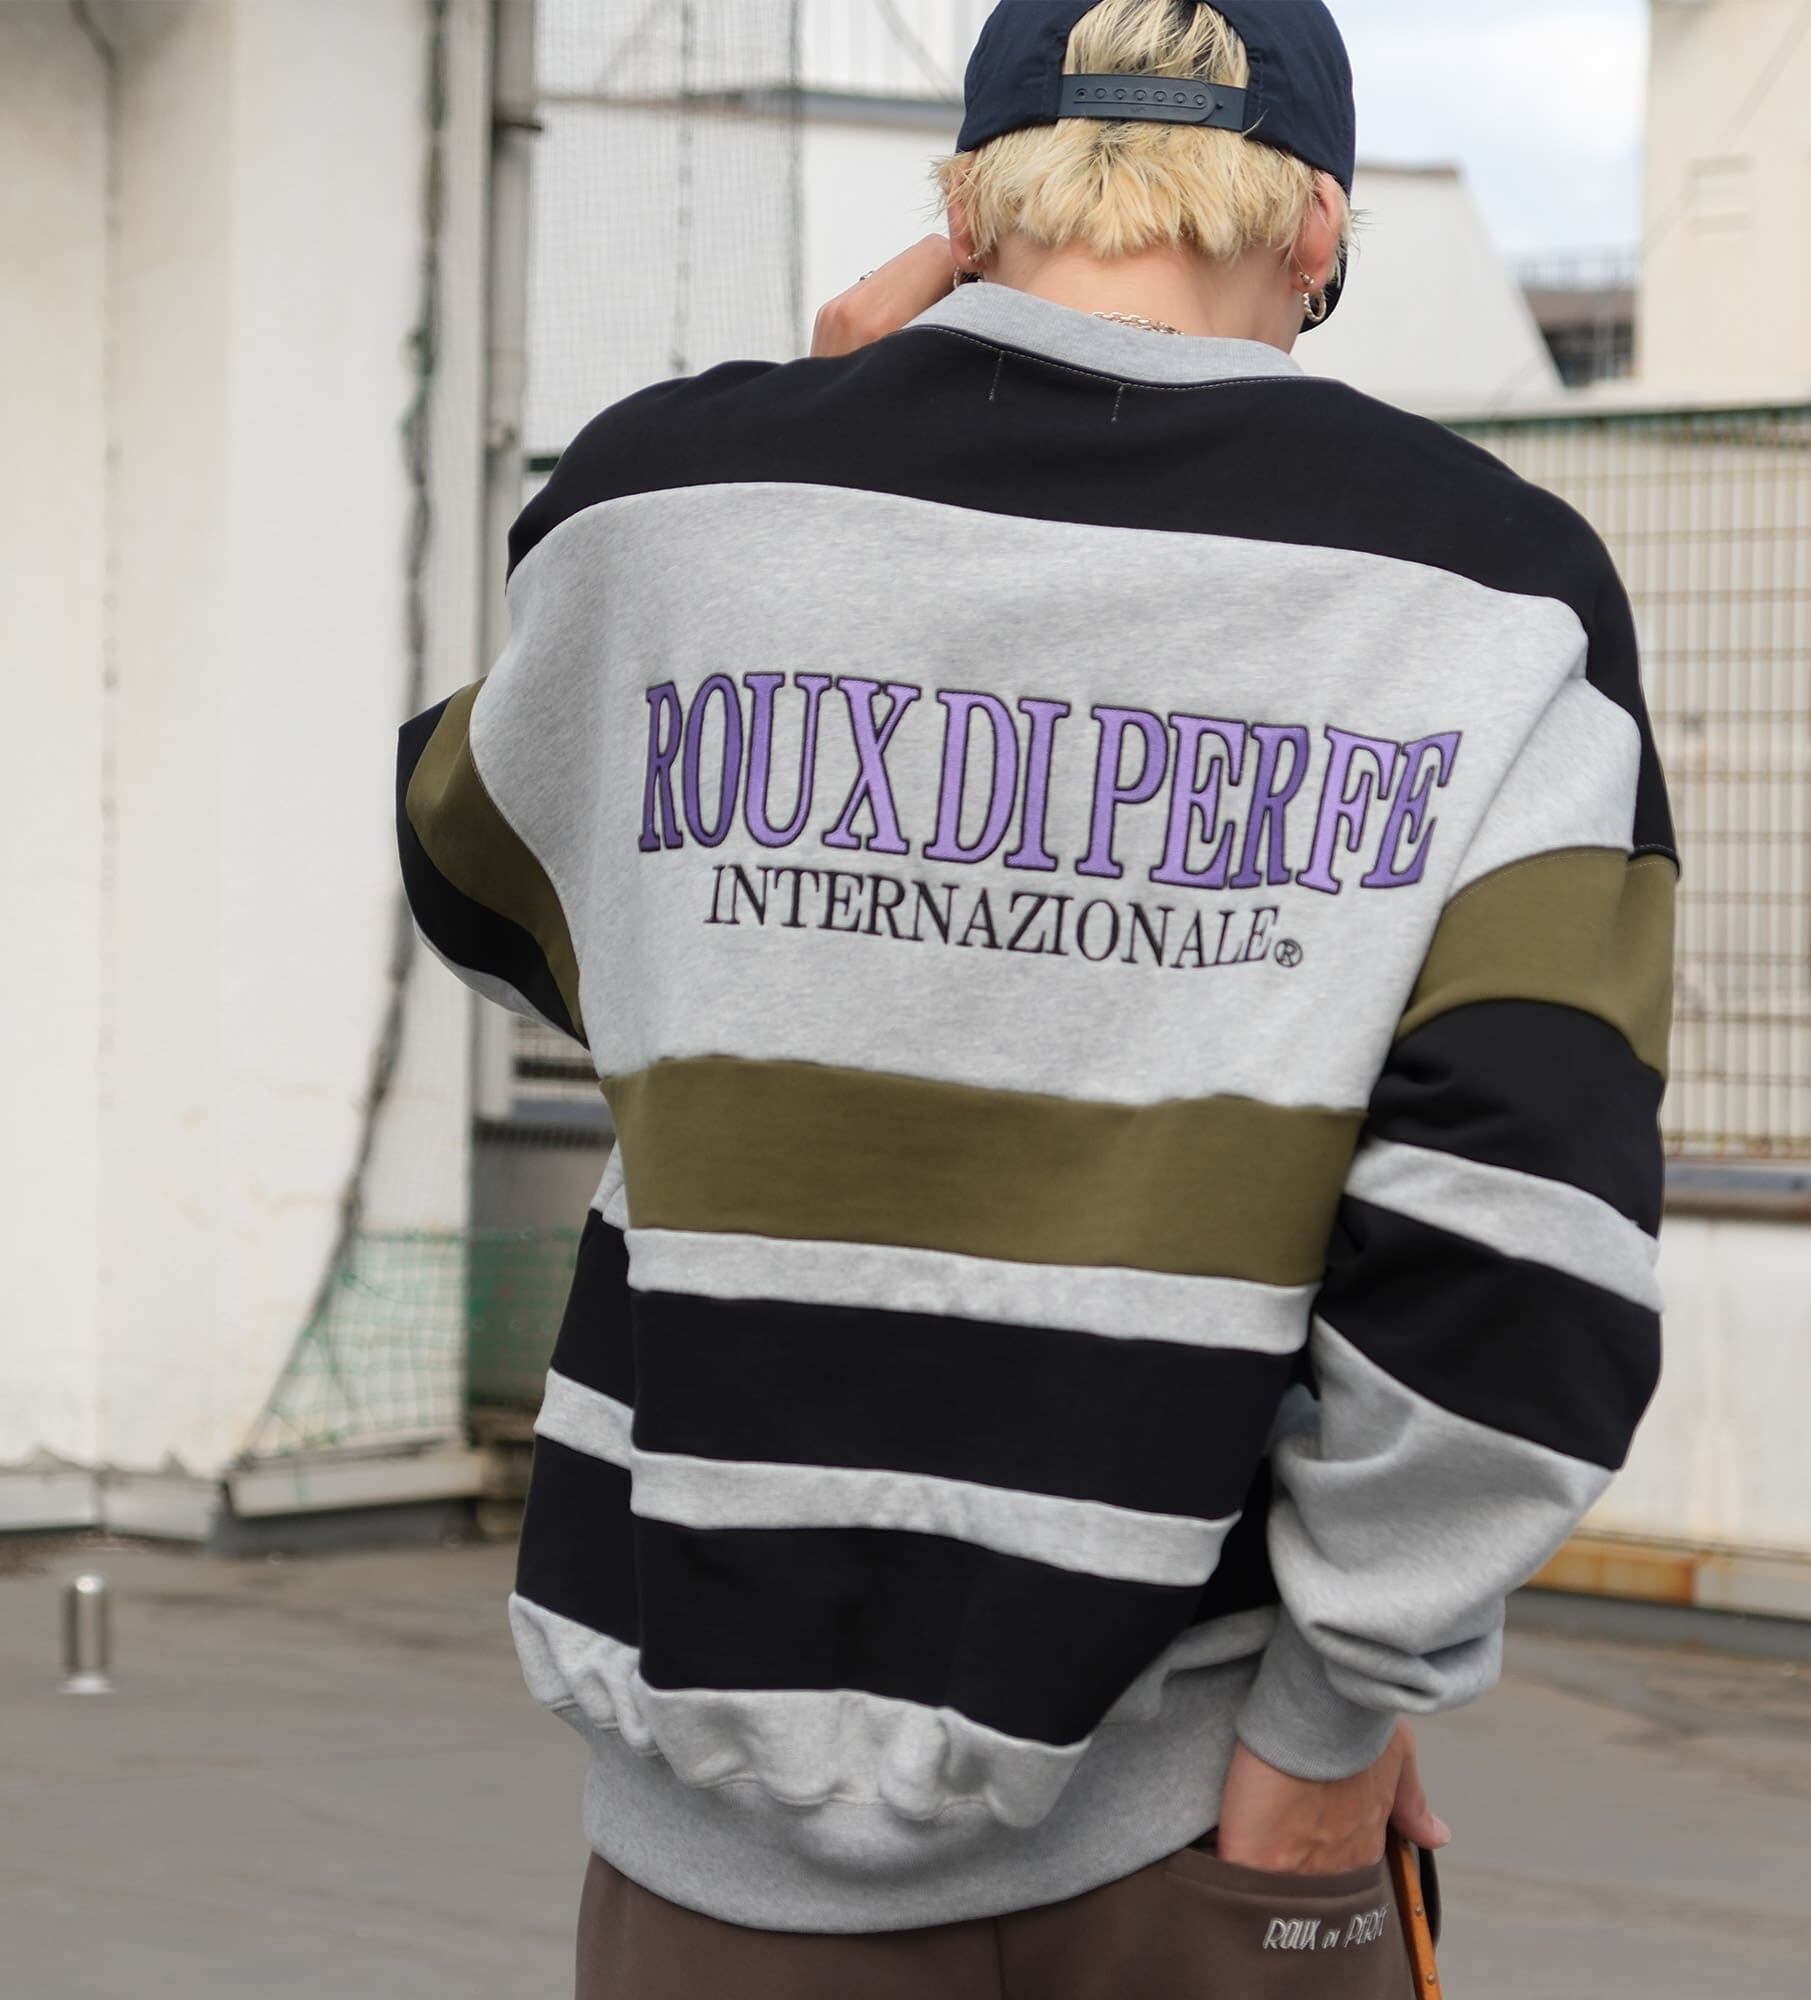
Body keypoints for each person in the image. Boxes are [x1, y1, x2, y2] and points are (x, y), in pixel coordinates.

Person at [395, 2, 1677, 1992]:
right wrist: (1339, 1702)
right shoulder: (1494, 587)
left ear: (968, 208)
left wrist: (802, 447)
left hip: (707, 1852)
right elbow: (1520, 1238)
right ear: (1318, 226)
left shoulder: (662, 508)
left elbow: (481, 881)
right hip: (1208, 1818)